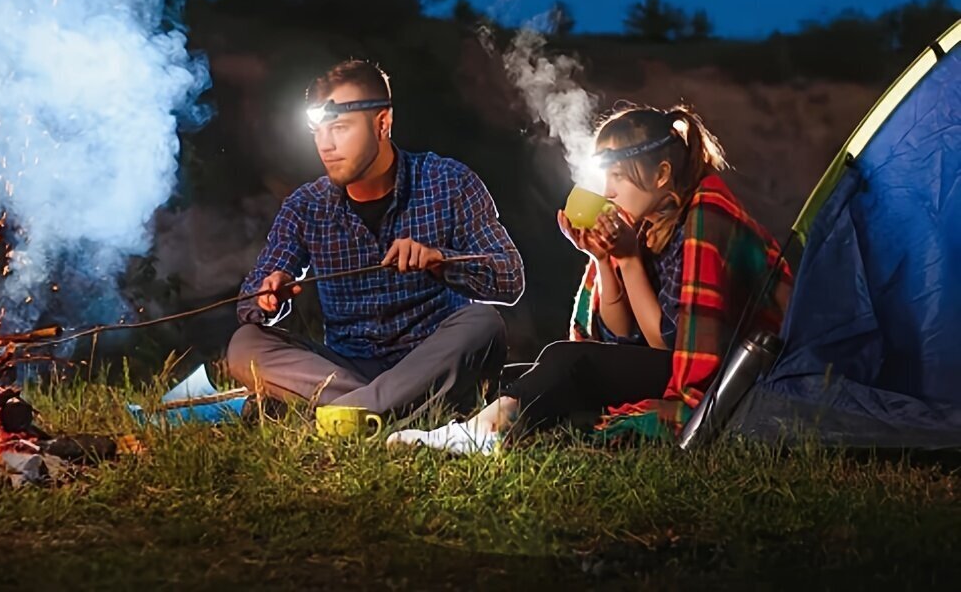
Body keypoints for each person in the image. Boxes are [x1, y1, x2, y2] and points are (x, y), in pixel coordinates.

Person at [388, 103, 792, 453]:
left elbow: (669, 347)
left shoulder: (707, 215)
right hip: (665, 361)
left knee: (567, 361)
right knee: (522, 376)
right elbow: (618, 337)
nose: (608, 190)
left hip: (731, 376)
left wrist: (629, 259)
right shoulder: (644, 227)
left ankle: (483, 433)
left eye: (617, 175)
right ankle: (479, 425)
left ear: (662, 174)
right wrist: (603, 259)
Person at [227, 59, 524, 420]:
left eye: (339, 127)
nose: (326, 144)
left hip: (432, 360)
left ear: (382, 123)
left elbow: (510, 278)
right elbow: (249, 304)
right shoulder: (306, 205)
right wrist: (270, 294)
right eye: (317, 130)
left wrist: (438, 260)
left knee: (483, 322)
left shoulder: (449, 182)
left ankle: (344, 412)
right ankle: (381, 410)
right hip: (346, 367)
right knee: (246, 345)